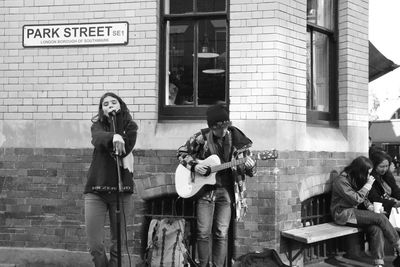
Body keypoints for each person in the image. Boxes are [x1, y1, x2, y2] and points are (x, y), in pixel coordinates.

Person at [177, 103, 256, 267]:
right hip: (205, 192)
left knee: (221, 233)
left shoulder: (239, 141)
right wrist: (194, 166)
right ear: (211, 127)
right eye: (218, 129)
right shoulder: (202, 138)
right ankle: (203, 265)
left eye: (226, 127)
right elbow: (182, 152)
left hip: (226, 192)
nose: (223, 131)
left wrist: (251, 166)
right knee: (203, 232)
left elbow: (251, 171)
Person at [84, 92, 138, 267]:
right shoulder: (97, 126)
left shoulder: (130, 126)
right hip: (96, 190)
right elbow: (97, 139)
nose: (110, 106)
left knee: (118, 246)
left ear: (120, 105)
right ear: (102, 110)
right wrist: (112, 136)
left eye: (113, 103)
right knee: (95, 246)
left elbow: (126, 147)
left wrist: (118, 132)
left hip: (121, 191)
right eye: (105, 104)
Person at [330, 156, 400, 267]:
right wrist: (368, 185)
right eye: (367, 173)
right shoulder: (341, 181)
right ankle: (398, 245)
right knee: (380, 218)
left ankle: (378, 263)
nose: (368, 176)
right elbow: (355, 199)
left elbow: (364, 199)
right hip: (343, 214)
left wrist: (370, 207)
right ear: (359, 170)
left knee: (376, 228)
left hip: (355, 213)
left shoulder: (355, 177)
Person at [369, 150, 400, 215]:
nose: (384, 169)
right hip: (381, 209)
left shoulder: (387, 175)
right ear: (374, 166)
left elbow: (395, 190)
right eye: (381, 166)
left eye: (387, 166)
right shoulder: (370, 178)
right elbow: (374, 198)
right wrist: (394, 204)